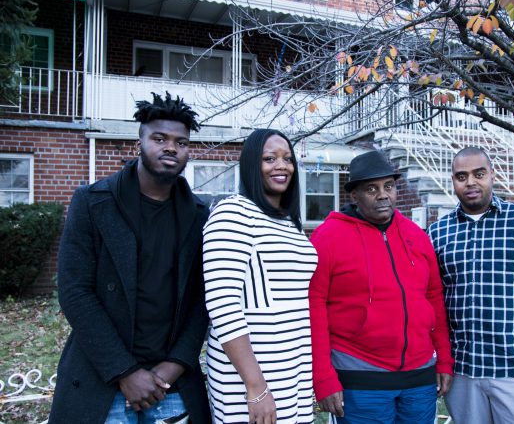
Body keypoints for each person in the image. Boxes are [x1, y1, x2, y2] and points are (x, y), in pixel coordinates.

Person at [49, 92, 211, 424]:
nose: (171, 147)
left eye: (181, 142)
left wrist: (176, 363)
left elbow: (202, 298)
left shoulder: (198, 215)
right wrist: (124, 371)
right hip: (103, 379)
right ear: (140, 141)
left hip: (171, 387)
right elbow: (74, 291)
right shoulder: (93, 203)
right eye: (160, 138)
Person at [428, 146, 514, 424]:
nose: (470, 182)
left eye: (479, 174)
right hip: (464, 372)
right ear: (453, 181)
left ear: (492, 174)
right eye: (461, 176)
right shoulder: (438, 232)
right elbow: (434, 298)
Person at [309, 150, 454, 424]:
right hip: (360, 377)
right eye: (371, 189)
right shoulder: (327, 238)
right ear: (354, 195)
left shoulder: (417, 236)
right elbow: (314, 308)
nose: (382, 195)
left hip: (419, 379)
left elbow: (435, 298)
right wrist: (324, 377)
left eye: (389, 186)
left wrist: (444, 359)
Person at [202, 129, 318, 424]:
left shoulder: (289, 223)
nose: (282, 166)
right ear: (252, 165)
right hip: (251, 377)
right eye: (270, 158)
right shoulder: (233, 213)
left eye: (287, 159)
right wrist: (255, 387)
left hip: (293, 371)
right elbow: (222, 305)